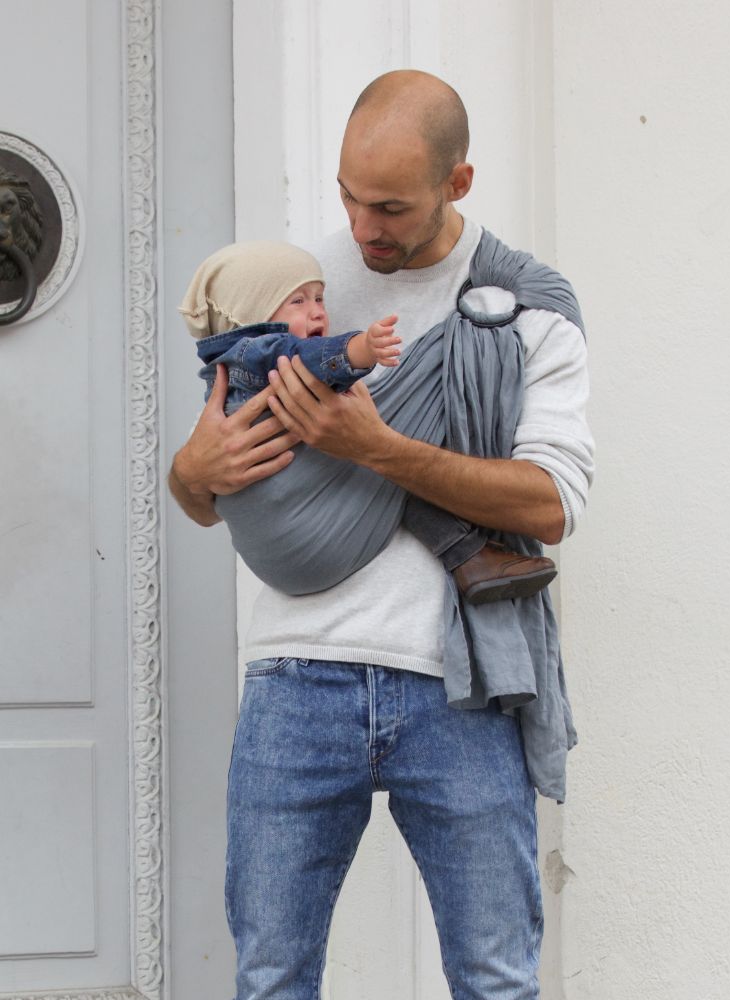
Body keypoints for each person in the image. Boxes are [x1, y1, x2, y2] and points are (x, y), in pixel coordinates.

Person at [169, 70, 594, 1000]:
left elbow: (552, 502)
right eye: (350, 198)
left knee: (495, 979)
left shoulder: (527, 306)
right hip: (295, 675)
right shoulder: (292, 288)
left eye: (391, 206)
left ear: (460, 182)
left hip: (464, 686)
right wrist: (192, 475)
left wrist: (379, 448)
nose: (365, 229)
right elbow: (206, 487)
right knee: (272, 977)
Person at [180, 239, 558, 602]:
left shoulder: (223, 366)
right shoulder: (258, 351)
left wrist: (374, 446)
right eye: (298, 301)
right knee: (391, 479)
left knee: (392, 477)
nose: (316, 311)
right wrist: (360, 348)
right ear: (252, 312)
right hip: (293, 569)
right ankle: (466, 553)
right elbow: (309, 357)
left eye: (319, 299)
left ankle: (469, 557)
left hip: (301, 571)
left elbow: (554, 511)